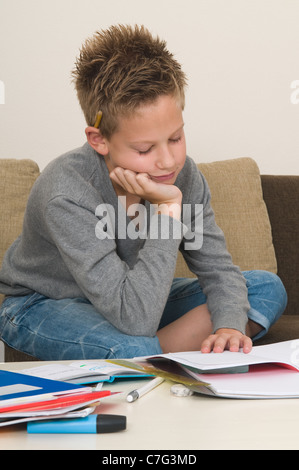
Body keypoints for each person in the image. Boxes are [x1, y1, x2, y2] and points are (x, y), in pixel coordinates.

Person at [0, 25, 287, 360]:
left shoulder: (185, 175)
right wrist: (166, 210)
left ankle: (146, 361)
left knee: (264, 288)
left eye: (176, 138)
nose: (168, 160)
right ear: (99, 140)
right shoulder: (67, 192)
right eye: (144, 148)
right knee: (133, 340)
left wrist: (230, 326)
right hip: (43, 305)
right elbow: (135, 319)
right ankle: (148, 357)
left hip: (134, 298)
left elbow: (218, 270)